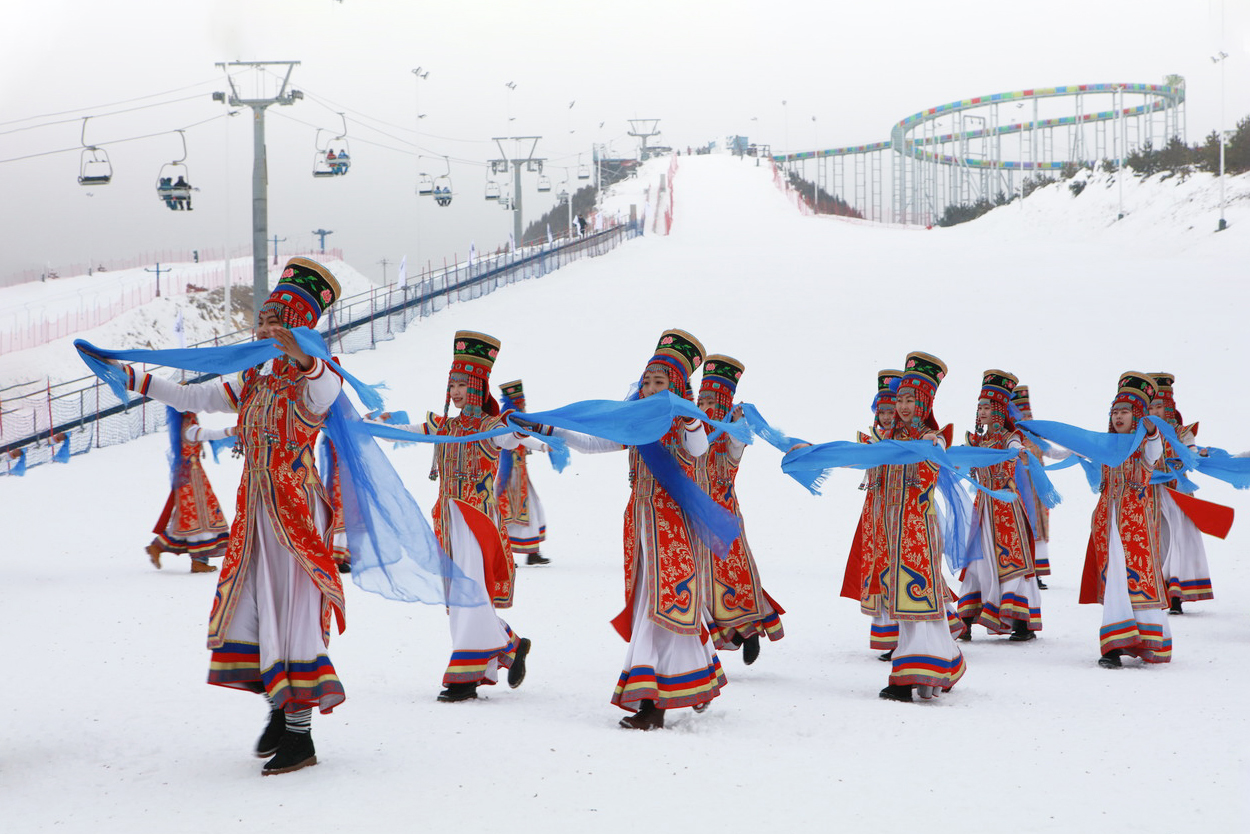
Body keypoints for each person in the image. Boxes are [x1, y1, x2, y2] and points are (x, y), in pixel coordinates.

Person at [113, 257, 347, 774]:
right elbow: (193, 395)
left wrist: (302, 355)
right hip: (257, 509)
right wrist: (132, 376)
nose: (264, 329)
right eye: (263, 320)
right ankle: (280, 707)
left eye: (277, 321)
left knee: (293, 615)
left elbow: (327, 384)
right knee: (257, 608)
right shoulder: (255, 380)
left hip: (296, 514)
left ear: (299, 327)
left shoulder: (315, 380)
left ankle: (300, 734)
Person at [549, 329, 724, 729]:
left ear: (675, 386)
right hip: (641, 524)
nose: (649, 389)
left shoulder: (684, 423)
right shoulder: (635, 423)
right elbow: (594, 443)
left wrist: (690, 417)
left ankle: (652, 701)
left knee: (661, 606)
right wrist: (554, 429)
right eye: (646, 381)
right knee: (661, 604)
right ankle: (694, 680)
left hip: (673, 528)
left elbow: (698, 449)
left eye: (659, 382)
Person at [376, 332, 539, 702]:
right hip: (448, 520)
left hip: (477, 520)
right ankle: (509, 644)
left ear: (478, 387)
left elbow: (513, 438)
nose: (456, 391)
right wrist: (365, 426)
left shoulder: (491, 427)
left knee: (471, 591)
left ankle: (465, 674)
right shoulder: (444, 427)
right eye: (452, 385)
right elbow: (405, 432)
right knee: (460, 595)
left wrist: (524, 430)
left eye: (463, 384)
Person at [876, 351, 966, 703]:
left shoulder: (933, 437)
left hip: (918, 530)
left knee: (919, 599)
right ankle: (935, 664)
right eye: (899, 399)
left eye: (910, 399)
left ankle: (912, 673)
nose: (902, 406)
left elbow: (937, 452)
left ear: (924, 403)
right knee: (905, 601)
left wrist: (932, 445)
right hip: (892, 529)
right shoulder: (887, 437)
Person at [693, 354, 784, 665]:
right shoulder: (691, 431)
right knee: (700, 580)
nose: (705, 406)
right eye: (701, 400)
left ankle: (749, 630)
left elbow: (736, 444)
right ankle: (714, 641)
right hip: (691, 517)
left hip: (724, 518)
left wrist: (736, 421)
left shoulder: (731, 435)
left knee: (735, 576)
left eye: (712, 401)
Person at [1079, 372, 1170, 669]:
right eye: (1115, 412)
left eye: (1125, 412)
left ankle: (1144, 640)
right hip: (1106, 522)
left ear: (1137, 415)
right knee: (1114, 580)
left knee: (1134, 578)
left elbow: (1155, 451)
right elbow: (1075, 447)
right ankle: (1114, 645)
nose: (1118, 417)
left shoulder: (1144, 448)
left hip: (1134, 525)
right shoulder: (1106, 447)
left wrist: (1152, 432)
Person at [956, 370, 1042, 642]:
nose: (982, 412)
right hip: (983, 508)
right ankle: (966, 619)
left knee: (1011, 561)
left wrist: (1017, 451)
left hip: (1006, 508)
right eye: (980, 407)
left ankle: (1021, 622)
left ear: (1000, 410)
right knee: (976, 562)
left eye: (987, 407)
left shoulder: (1009, 437)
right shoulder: (977, 440)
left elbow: (1015, 448)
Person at [840, 369, 902, 661]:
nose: (887, 416)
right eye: (882, 411)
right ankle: (890, 638)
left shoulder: (906, 439)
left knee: (901, 571)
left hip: (900, 513)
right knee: (878, 573)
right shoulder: (870, 439)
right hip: (875, 515)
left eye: (891, 410)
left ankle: (913, 633)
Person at [1149, 373, 1215, 614]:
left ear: (1169, 407)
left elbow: (1191, 451)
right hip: (1150, 492)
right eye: (1151, 406)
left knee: (1178, 539)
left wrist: (1197, 455)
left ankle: (1176, 593)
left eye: (1159, 406)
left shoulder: (1182, 432)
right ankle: (1158, 589)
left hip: (1177, 493)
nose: (1155, 411)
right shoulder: (1143, 433)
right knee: (1156, 539)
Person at [145, 410, 232, 574]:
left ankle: (162, 547)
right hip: (192, 477)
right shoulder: (190, 428)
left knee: (191, 517)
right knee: (197, 517)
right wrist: (232, 431)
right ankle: (196, 560)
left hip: (191, 475)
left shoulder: (185, 426)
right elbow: (209, 434)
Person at [497, 379, 550, 566]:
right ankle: (505, 555)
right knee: (509, 516)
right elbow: (520, 438)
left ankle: (532, 552)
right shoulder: (507, 421)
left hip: (520, 476)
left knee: (532, 511)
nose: (523, 405)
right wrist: (542, 446)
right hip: (508, 477)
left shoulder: (518, 419)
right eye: (520, 402)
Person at [1011, 385, 1052, 588]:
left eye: (1028, 415)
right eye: (1022, 416)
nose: (1026, 419)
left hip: (1036, 491)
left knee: (1038, 529)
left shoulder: (1037, 439)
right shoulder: (1012, 441)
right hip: (1018, 490)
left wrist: (1076, 451)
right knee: (1021, 527)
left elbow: (1053, 452)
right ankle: (1021, 569)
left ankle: (1036, 571)